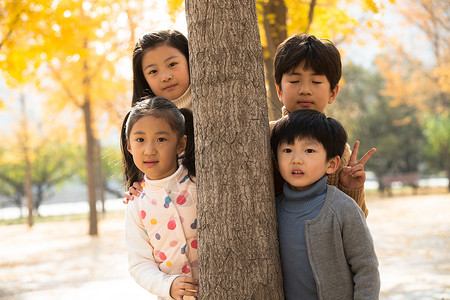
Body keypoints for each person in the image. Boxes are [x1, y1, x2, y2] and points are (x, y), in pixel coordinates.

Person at [271, 109, 380, 299]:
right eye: (287, 150)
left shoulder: (341, 208)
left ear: (331, 164)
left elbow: (366, 268)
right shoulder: (271, 209)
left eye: (309, 150)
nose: (296, 159)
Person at [271, 33, 376, 217]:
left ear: (333, 92)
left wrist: (352, 188)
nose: (305, 90)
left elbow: (355, 223)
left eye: (316, 81)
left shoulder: (338, 150)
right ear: (279, 90)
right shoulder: (266, 136)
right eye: (295, 81)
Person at [122, 96, 198, 300]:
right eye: (140, 140)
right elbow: (139, 263)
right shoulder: (136, 203)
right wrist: (167, 285)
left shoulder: (198, 184)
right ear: (129, 146)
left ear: (181, 143)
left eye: (161, 139)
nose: (149, 150)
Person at [122, 29, 192, 197]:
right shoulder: (140, 122)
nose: (165, 76)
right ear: (143, 78)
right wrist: (139, 188)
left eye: (172, 64)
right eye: (153, 71)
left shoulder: (215, 105)